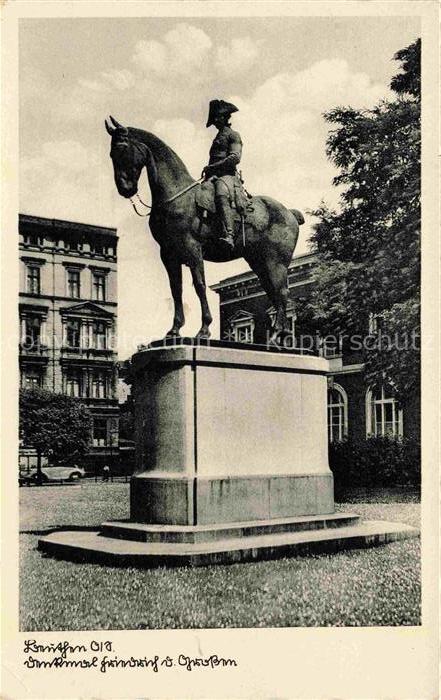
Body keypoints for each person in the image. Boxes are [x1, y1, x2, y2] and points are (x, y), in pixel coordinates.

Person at [202, 99, 242, 250]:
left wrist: (213, 167)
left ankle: (229, 235)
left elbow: (235, 158)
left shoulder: (233, 135)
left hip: (227, 176)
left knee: (220, 193)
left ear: (225, 117)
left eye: (217, 117)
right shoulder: (217, 137)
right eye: (214, 118)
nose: (215, 121)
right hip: (214, 176)